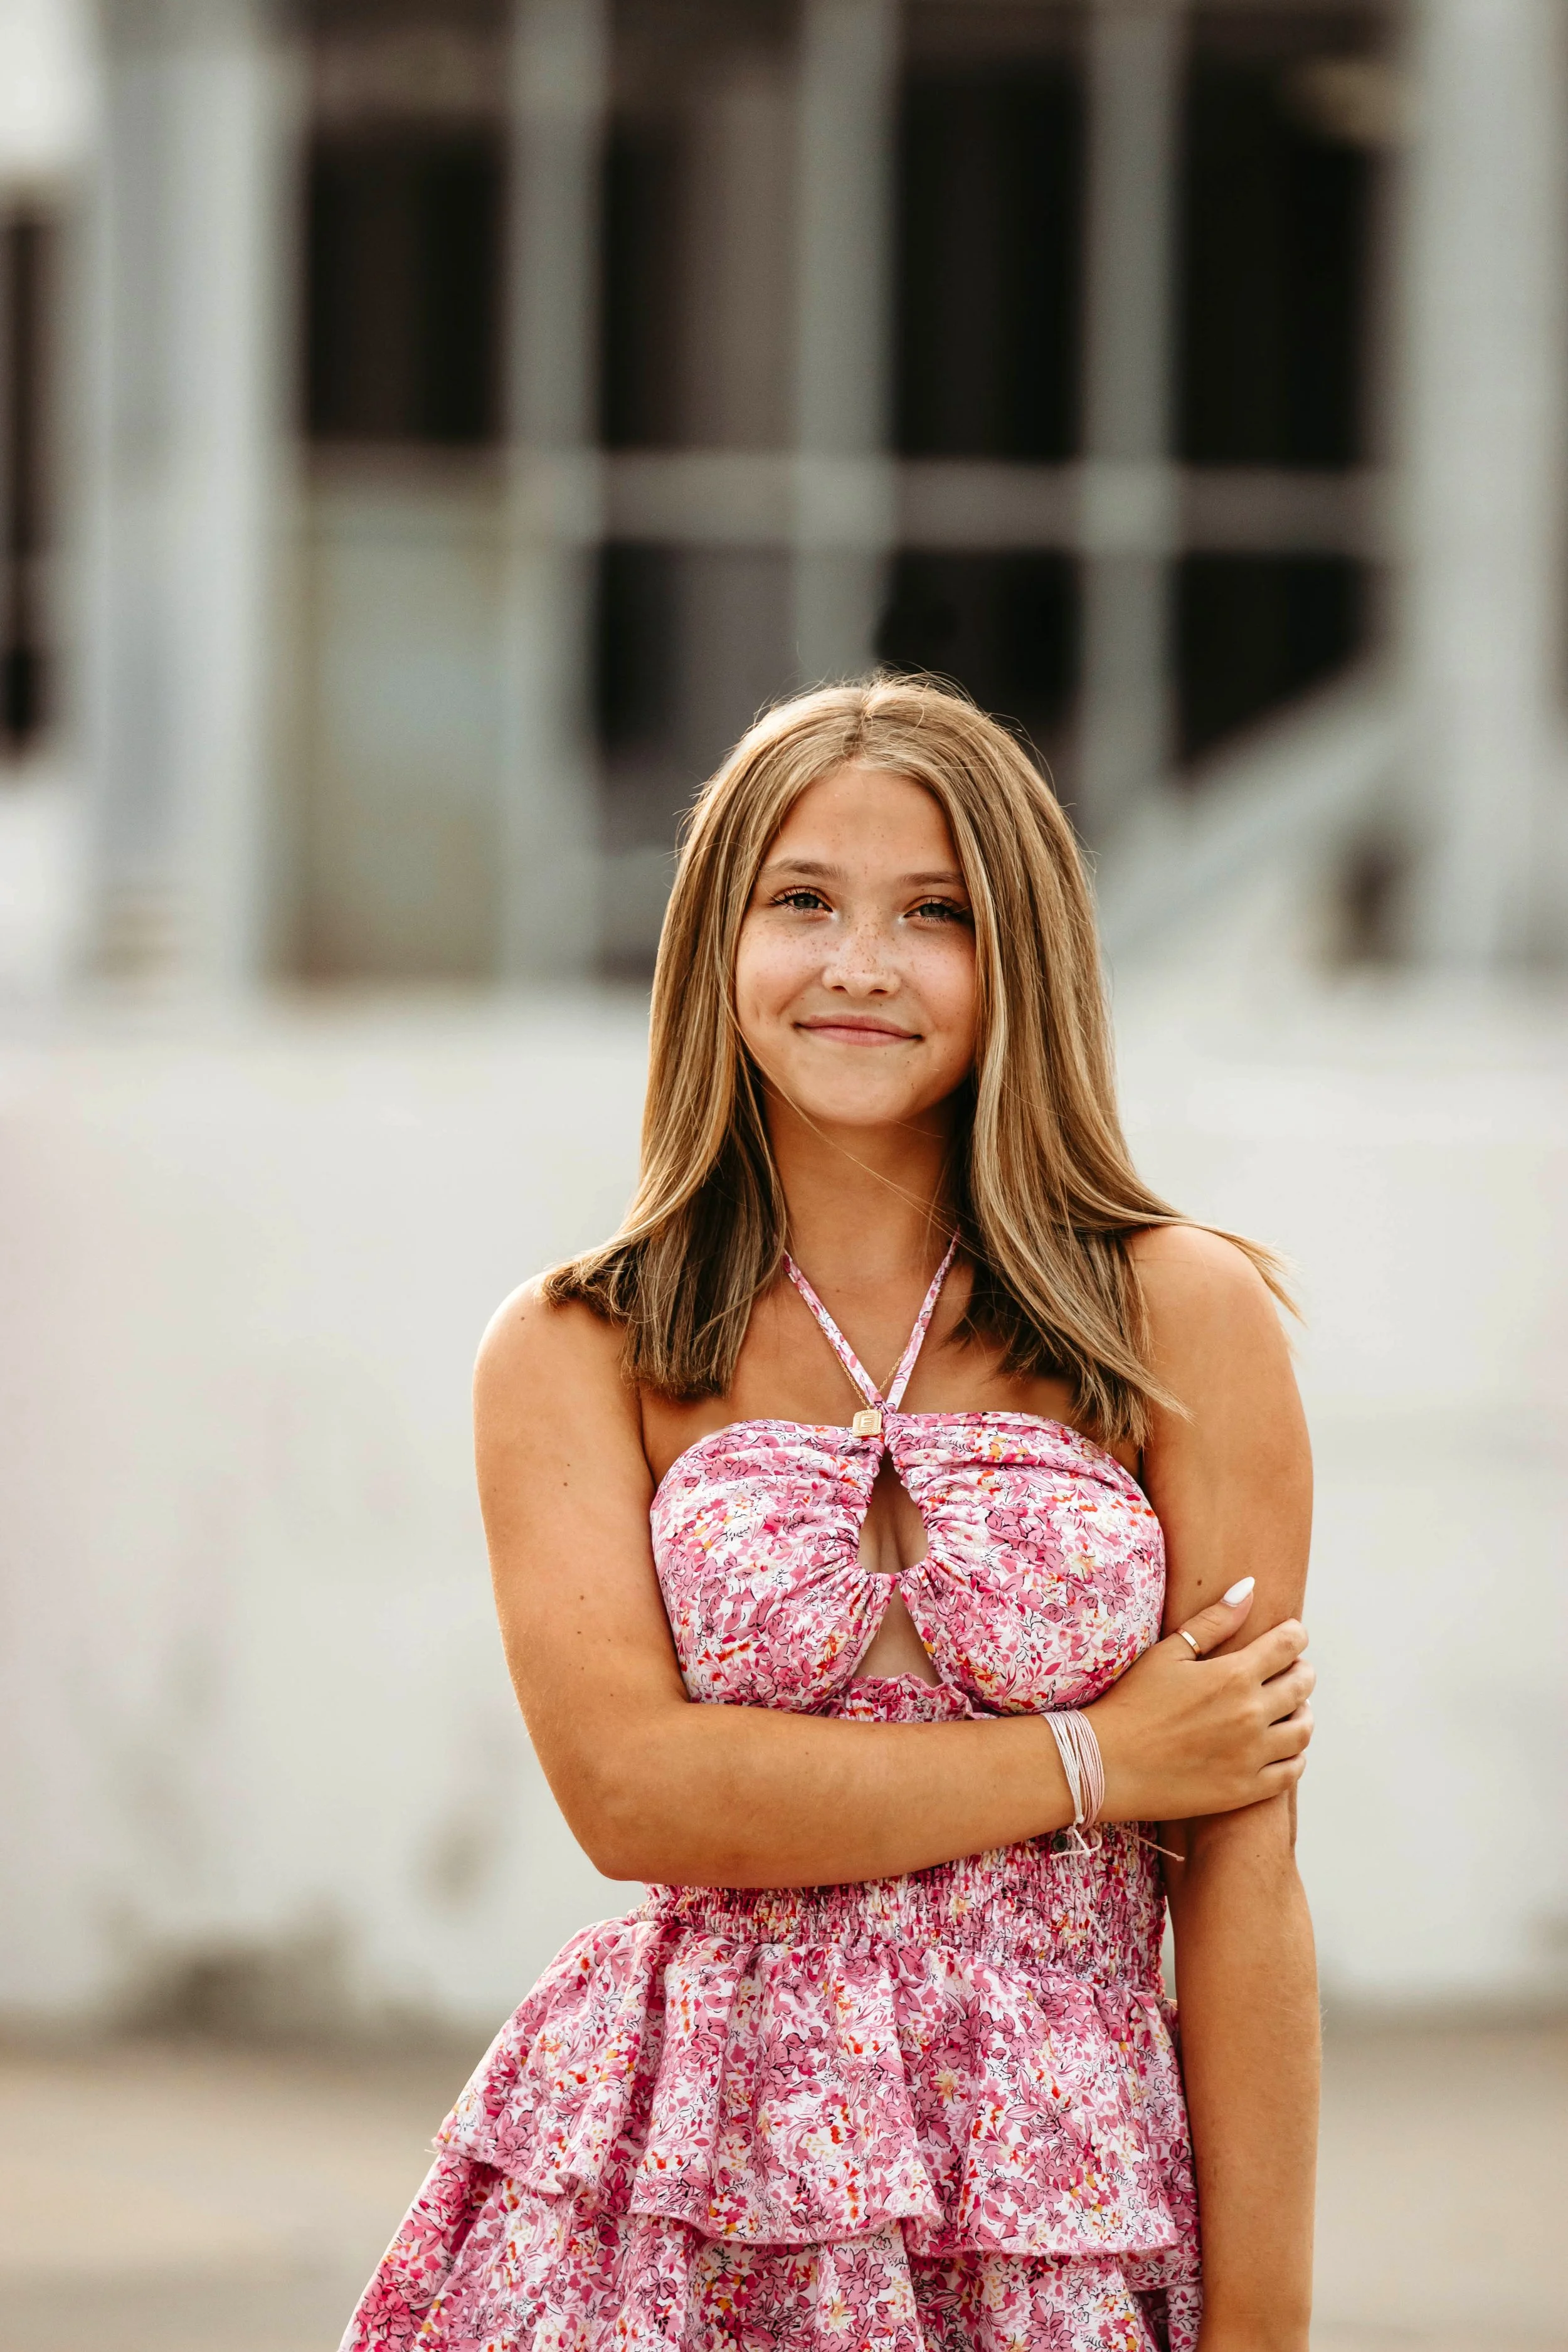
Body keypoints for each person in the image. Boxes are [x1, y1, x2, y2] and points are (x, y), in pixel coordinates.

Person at [342, 679, 1318, 2352]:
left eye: (931, 912)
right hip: (676, 2184)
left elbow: (1242, 1865)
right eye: (801, 899)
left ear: (1022, 955)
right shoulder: (579, 1340)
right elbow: (636, 1791)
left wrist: (1264, 2330)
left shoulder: (1182, 1312)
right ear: (715, 941)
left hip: (1059, 2197)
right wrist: (1098, 1758)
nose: (858, 963)